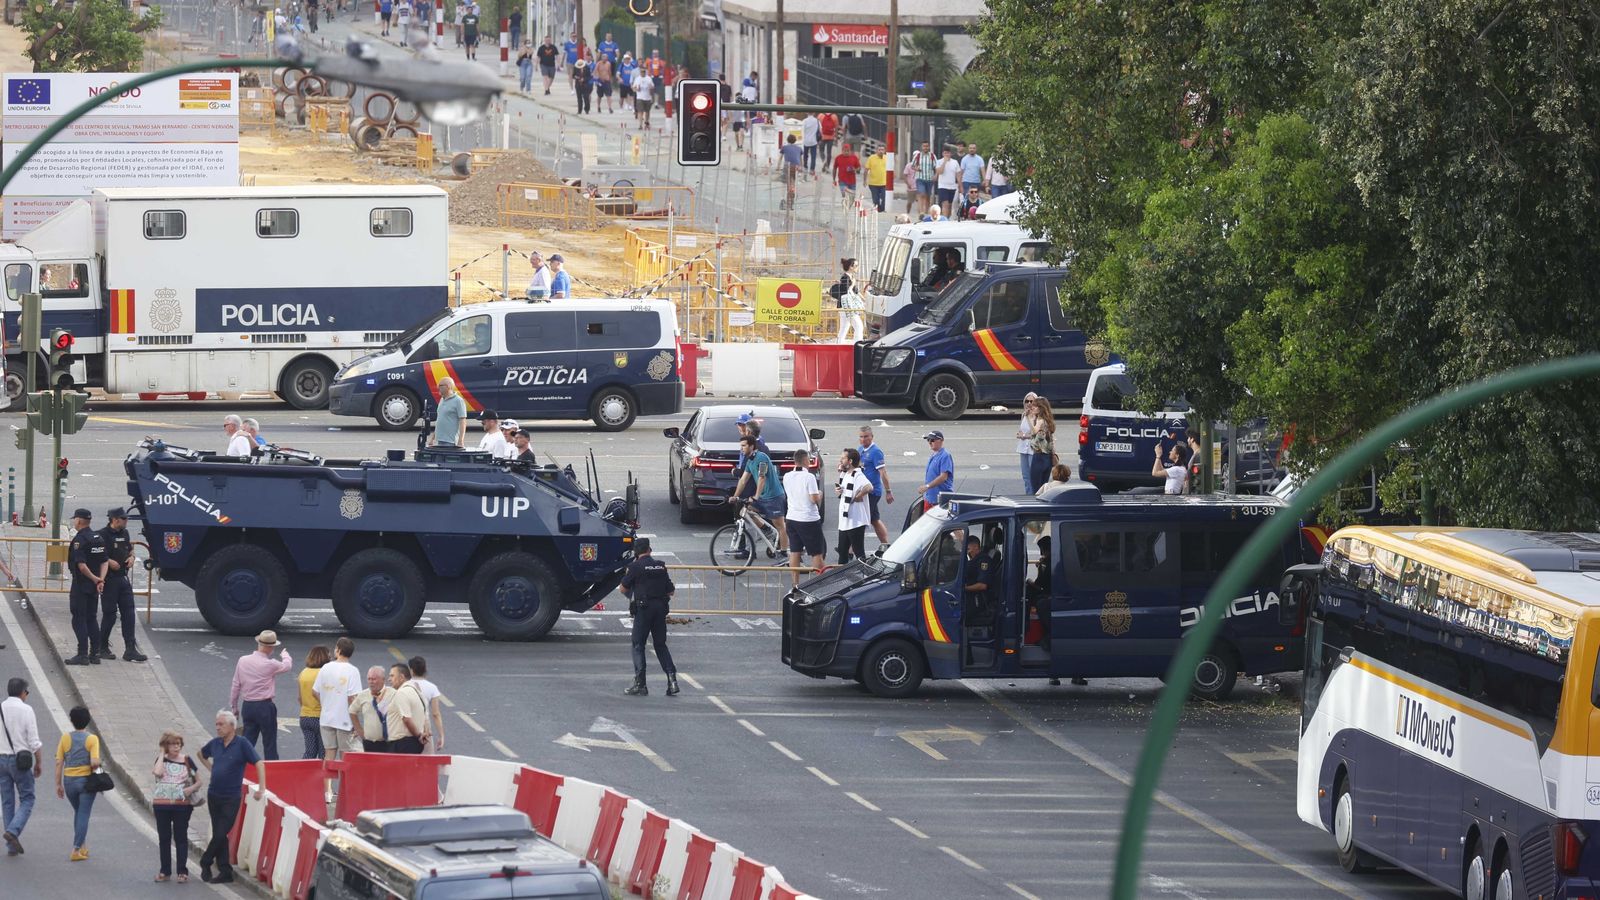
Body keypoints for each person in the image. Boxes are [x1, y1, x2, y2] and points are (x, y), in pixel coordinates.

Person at [198, 709, 265, 884]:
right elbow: (201, 754)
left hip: (231, 797)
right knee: (220, 834)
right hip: (214, 794)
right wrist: (211, 768)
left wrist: (261, 788)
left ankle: (205, 861)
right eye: (216, 724)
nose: (217, 727)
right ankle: (225, 871)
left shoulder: (242, 744)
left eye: (221, 724)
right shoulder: (216, 743)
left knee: (221, 832)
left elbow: (259, 763)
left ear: (232, 726)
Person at [621, 538, 677, 696]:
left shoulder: (634, 566)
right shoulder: (660, 565)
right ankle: (672, 680)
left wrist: (634, 590)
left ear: (636, 552)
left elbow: (623, 588)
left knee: (638, 645)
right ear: (649, 550)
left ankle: (640, 684)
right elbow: (671, 591)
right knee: (660, 645)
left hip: (644, 610)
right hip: (660, 609)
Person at [91, 506, 145, 662]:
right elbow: (96, 554)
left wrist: (132, 558)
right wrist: (108, 561)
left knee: (129, 613)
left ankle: (130, 649)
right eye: (124, 519)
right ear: (115, 520)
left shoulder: (124, 533)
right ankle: (102, 646)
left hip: (123, 578)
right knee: (110, 614)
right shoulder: (102, 535)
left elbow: (130, 549)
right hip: (109, 580)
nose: (126, 521)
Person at [229, 629, 292, 761]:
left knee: (247, 742)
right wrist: (285, 655)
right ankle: (271, 772)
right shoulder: (271, 664)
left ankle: (241, 769)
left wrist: (234, 707)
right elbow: (287, 666)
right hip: (265, 706)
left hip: (248, 706)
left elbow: (236, 685)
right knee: (269, 743)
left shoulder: (242, 660)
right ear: (270, 648)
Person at [151, 731, 202, 882]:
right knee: (164, 838)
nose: (176, 747)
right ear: (166, 746)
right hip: (162, 805)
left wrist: (190, 789)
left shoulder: (187, 760)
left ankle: (182, 872)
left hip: (182, 805)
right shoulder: (161, 760)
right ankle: (165, 871)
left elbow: (199, 781)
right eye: (173, 744)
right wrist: (162, 754)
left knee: (181, 837)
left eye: (178, 744)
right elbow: (157, 773)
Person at [313, 637, 360, 801]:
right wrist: (357, 722)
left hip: (326, 718)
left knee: (329, 755)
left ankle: (327, 793)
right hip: (344, 719)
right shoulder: (353, 671)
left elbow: (315, 691)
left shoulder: (325, 667)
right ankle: (346, 791)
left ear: (338, 650)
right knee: (346, 756)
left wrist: (325, 703)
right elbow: (353, 698)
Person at [0, 677, 42, 856]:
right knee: (28, 798)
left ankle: (11, 846)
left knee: (7, 801)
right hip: (20, 761)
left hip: (1, 759)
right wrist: (39, 762)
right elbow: (34, 741)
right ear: (23, 692)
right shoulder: (26, 710)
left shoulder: (1, 707)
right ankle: (13, 831)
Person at [55, 705, 99, 861]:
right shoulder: (91, 739)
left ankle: (83, 846)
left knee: (79, 812)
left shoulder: (65, 738)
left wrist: (58, 784)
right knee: (84, 814)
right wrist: (98, 768)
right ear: (88, 720)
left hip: (69, 782)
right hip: (86, 782)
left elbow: (59, 762)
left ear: (71, 720)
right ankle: (75, 849)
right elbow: (94, 763)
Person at [64, 509, 105, 666]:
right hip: (94, 586)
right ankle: (95, 654)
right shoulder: (98, 538)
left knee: (79, 619)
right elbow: (104, 561)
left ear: (79, 521)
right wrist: (100, 580)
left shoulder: (80, 540)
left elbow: (81, 566)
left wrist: (95, 579)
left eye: (75, 519)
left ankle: (82, 654)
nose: (74, 522)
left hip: (81, 585)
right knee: (92, 618)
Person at [733, 434, 787, 551]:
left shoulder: (761, 457)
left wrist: (756, 496)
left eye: (744, 446)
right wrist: (735, 496)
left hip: (774, 497)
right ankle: (767, 531)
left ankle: (784, 553)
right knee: (745, 511)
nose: (741, 448)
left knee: (780, 525)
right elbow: (743, 480)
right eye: (740, 446)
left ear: (752, 446)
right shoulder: (749, 460)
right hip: (763, 496)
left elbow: (762, 477)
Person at [782, 450, 826, 587]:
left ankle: (795, 584)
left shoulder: (787, 476)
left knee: (795, 551)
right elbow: (814, 499)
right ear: (806, 460)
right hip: (808, 519)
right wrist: (820, 493)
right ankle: (821, 584)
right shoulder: (809, 477)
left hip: (792, 518)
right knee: (816, 553)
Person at [835, 448, 871, 564]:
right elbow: (846, 490)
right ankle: (841, 578)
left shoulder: (857, 474)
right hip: (845, 520)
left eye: (843, 458)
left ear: (850, 461)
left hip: (855, 520)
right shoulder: (846, 474)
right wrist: (840, 490)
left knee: (859, 551)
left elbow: (869, 487)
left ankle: (865, 576)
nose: (841, 460)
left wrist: (858, 496)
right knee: (842, 551)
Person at [384, 664, 429, 754]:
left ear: (401, 677)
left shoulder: (402, 693)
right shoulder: (417, 692)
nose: (389, 679)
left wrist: (419, 735)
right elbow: (425, 718)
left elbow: (406, 719)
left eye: (392, 676)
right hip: (413, 743)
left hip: (402, 744)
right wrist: (423, 734)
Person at [349, 666, 393, 753]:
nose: (371, 682)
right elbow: (352, 711)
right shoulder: (363, 695)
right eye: (369, 679)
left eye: (374, 679)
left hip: (389, 742)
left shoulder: (392, 694)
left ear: (383, 679)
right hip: (369, 742)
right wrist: (360, 731)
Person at [407, 656, 446, 752]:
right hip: (425, 727)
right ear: (425, 670)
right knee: (426, 761)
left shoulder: (405, 685)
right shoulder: (432, 688)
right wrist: (441, 735)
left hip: (408, 724)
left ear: (411, 670)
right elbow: (436, 714)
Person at [1028, 396, 1058, 494]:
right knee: (1043, 488)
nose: (1032, 408)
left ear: (1041, 408)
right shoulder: (1048, 421)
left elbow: (1034, 431)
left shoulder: (1040, 421)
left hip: (1038, 457)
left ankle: (1036, 508)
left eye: (1035, 406)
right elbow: (1050, 440)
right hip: (1048, 458)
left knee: (1036, 490)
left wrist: (1027, 418)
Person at [919, 431, 955, 511]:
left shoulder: (945, 455)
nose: (929, 442)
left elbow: (943, 477)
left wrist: (927, 486)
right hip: (930, 498)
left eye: (932, 440)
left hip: (940, 499)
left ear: (941, 441)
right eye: (928, 440)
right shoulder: (933, 455)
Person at [432, 377, 468, 448]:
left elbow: (463, 421)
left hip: (450, 441)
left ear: (448, 386)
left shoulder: (458, 401)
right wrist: (432, 438)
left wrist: (461, 440)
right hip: (439, 440)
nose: (438, 388)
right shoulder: (442, 400)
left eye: (440, 386)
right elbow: (439, 420)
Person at [835, 257, 864, 343]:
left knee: (844, 327)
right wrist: (853, 284)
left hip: (846, 306)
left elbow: (855, 291)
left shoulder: (850, 277)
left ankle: (839, 345)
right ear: (851, 267)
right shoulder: (845, 278)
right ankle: (857, 346)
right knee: (858, 326)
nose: (857, 267)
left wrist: (864, 299)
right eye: (856, 265)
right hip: (847, 306)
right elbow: (846, 292)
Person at [1017, 392, 1038, 493]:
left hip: (1032, 449)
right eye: (1027, 401)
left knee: (1033, 476)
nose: (1029, 403)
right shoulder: (1023, 415)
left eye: (1031, 401)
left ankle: (1034, 498)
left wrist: (1024, 436)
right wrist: (1020, 434)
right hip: (1023, 448)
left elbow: (1036, 433)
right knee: (1026, 477)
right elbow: (1022, 429)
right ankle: (1028, 496)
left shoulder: (1038, 416)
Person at [911, 140, 937, 216]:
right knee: (921, 193)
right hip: (920, 178)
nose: (925, 148)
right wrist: (916, 168)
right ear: (921, 147)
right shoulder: (918, 156)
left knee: (928, 196)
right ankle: (921, 212)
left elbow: (936, 166)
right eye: (924, 146)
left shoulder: (932, 156)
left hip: (929, 178)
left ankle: (926, 211)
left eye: (927, 146)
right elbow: (912, 166)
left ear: (929, 147)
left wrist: (936, 175)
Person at [934, 148, 960, 216]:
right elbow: (940, 172)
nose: (947, 154)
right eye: (945, 153)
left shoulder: (955, 162)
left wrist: (960, 185)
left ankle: (947, 218)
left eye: (948, 153)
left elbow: (958, 175)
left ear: (950, 154)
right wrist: (944, 162)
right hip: (942, 186)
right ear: (943, 154)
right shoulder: (939, 161)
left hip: (952, 186)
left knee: (950, 205)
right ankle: (944, 220)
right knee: (945, 204)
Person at [780, 134, 803, 210]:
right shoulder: (799, 148)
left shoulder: (784, 147)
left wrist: (777, 167)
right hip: (796, 167)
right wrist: (801, 168)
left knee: (785, 184)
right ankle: (792, 201)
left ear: (787, 140)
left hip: (788, 167)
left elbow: (780, 158)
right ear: (795, 140)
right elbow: (800, 159)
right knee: (793, 184)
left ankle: (783, 200)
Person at [865, 146, 888, 212]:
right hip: (873, 183)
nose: (881, 151)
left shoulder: (887, 158)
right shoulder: (871, 158)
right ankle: (878, 210)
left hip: (884, 183)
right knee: (876, 200)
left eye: (882, 149)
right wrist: (864, 180)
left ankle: (882, 209)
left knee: (884, 198)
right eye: (879, 149)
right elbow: (866, 169)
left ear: (884, 151)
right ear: (876, 150)